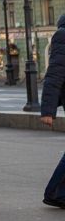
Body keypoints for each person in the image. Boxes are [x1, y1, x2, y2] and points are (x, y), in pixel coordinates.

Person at [41, 14, 65, 208]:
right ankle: (54, 192)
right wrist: (47, 111)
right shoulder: (62, 36)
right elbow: (55, 74)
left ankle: (57, 192)